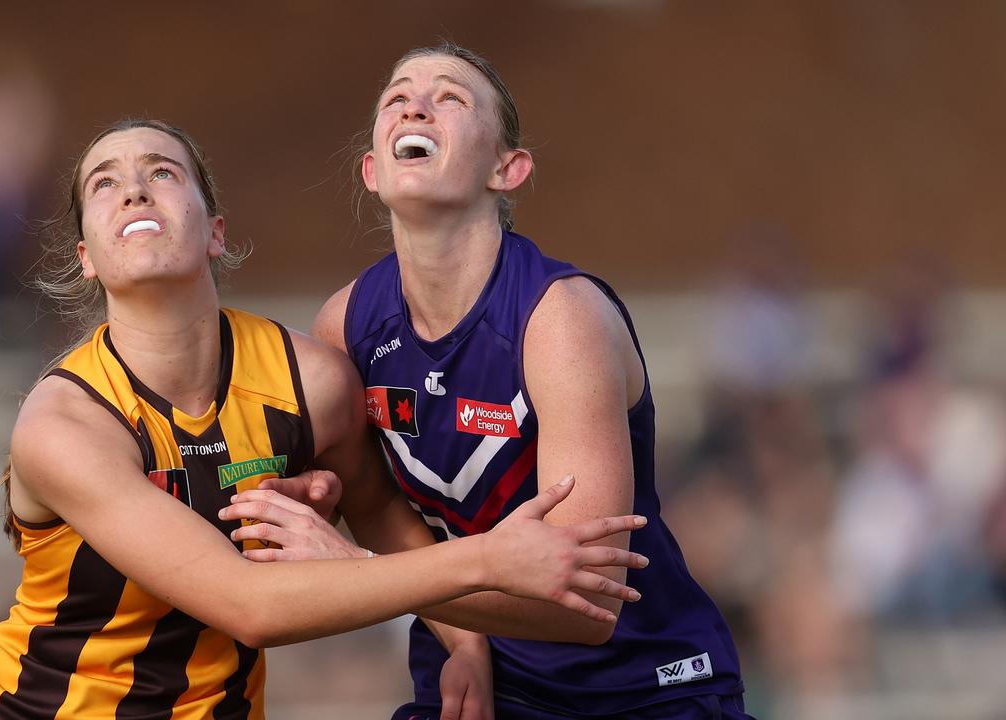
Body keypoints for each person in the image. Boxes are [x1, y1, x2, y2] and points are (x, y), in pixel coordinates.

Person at [0, 118, 651, 719]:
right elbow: (246, 605)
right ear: (87, 258)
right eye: (105, 183)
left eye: (162, 172)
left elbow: (378, 511)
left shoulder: (308, 381)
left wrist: (463, 643)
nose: (133, 187)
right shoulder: (63, 422)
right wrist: (489, 559)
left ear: (215, 231)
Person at [233, 43, 752, 719]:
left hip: (640, 688)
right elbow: (372, 508)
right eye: (396, 97)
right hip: (473, 676)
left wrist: (358, 571)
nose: (414, 103)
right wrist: (466, 641)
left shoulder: (559, 319)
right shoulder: (347, 326)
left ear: (508, 168)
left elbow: (587, 601)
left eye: (450, 96)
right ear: (370, 169)